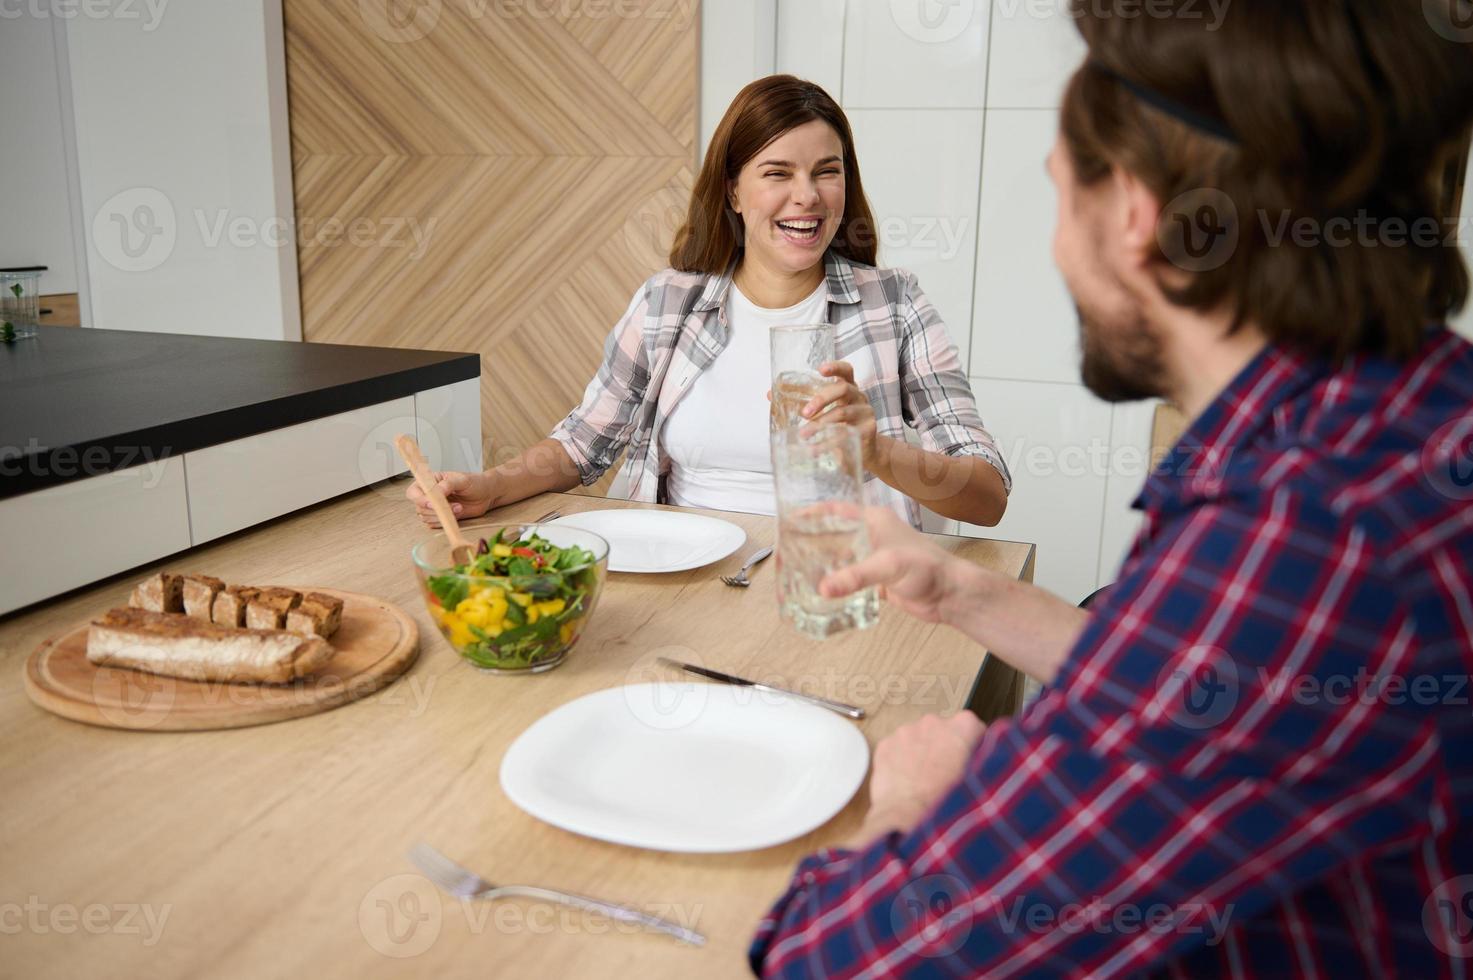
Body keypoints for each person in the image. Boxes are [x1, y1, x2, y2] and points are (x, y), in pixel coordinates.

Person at [751, 1, 1473, 976]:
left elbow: (844, 957)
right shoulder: (1398, 421)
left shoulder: (1306, 533)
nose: (1055, 245)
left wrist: (915, 802)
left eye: (1057, 192)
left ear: (1134, 209)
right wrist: (978, 594)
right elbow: (1228, 698)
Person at [408, 74, 1010, 530]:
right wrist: (489, 486)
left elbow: (988, 496)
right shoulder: (668, 302)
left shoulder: (896, 304)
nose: (807, 197)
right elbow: (583, 446)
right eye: (777, 173)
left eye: (827, 171)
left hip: (844, 588)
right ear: (734, 189)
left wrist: (876, 449)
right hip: (688, 581)